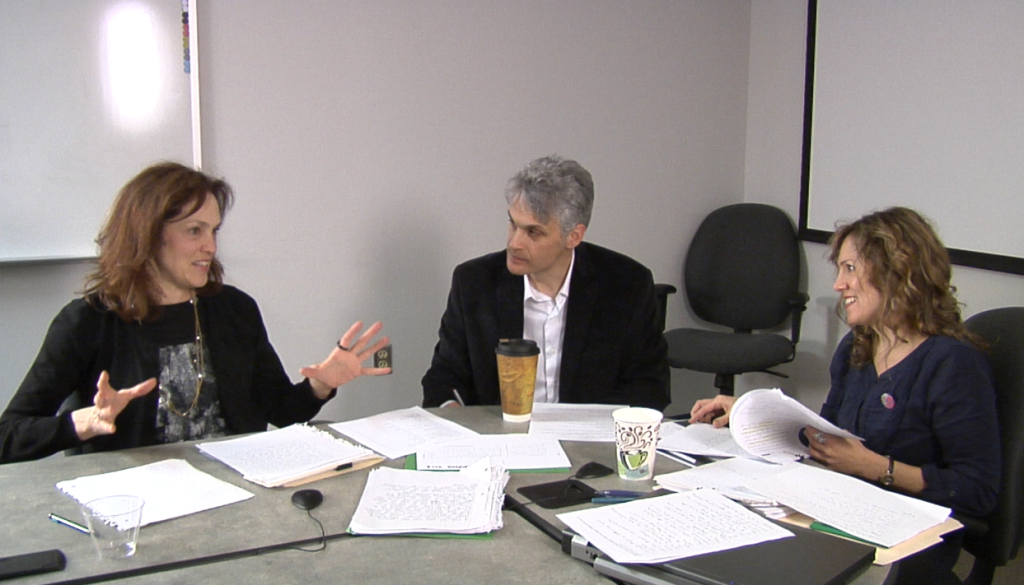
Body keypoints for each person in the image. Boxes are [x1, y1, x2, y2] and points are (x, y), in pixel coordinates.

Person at [0, 162, 391, 464]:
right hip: (137, 508)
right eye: (194, 231)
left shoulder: (234, 309)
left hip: (239, 493)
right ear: (149, 233)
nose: (210, 247)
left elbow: (282, 411)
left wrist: (321, 386)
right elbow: (8, 437)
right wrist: (82, 423)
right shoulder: (88, 323)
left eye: (214, 231)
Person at [689, 207, 999, 584]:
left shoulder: (953, 363)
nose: (838, 284)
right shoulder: (858, 347)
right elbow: (828, 437)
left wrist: (879, 469)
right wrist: (753, 412)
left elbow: (978, 491)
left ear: (898, 270)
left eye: (850, 268)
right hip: (838, 510)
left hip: (905, 536)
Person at [421, 155, 670, 411]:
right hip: (497, 441)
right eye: (513, 224)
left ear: (573, 236)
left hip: (588, 443)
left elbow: (650, 386)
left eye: (533, 232)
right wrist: (451, 411)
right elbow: (443, 377)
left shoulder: (627, 285)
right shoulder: (474, 283)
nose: (514, 243)